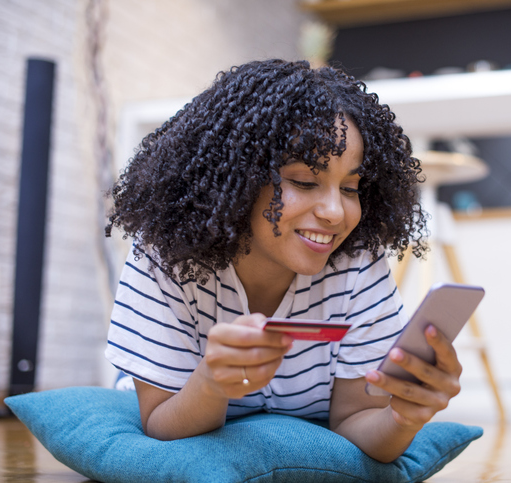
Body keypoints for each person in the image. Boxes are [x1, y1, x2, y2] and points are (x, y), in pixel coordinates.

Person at [104, 59, 463, 463]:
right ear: (237, 177)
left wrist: (404, 416)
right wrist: (211, 383)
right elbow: (159, 424)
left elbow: (356, 422)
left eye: (350, 187)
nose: (334, 212)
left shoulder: (357, 263)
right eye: (305, 182)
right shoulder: (166, 259)